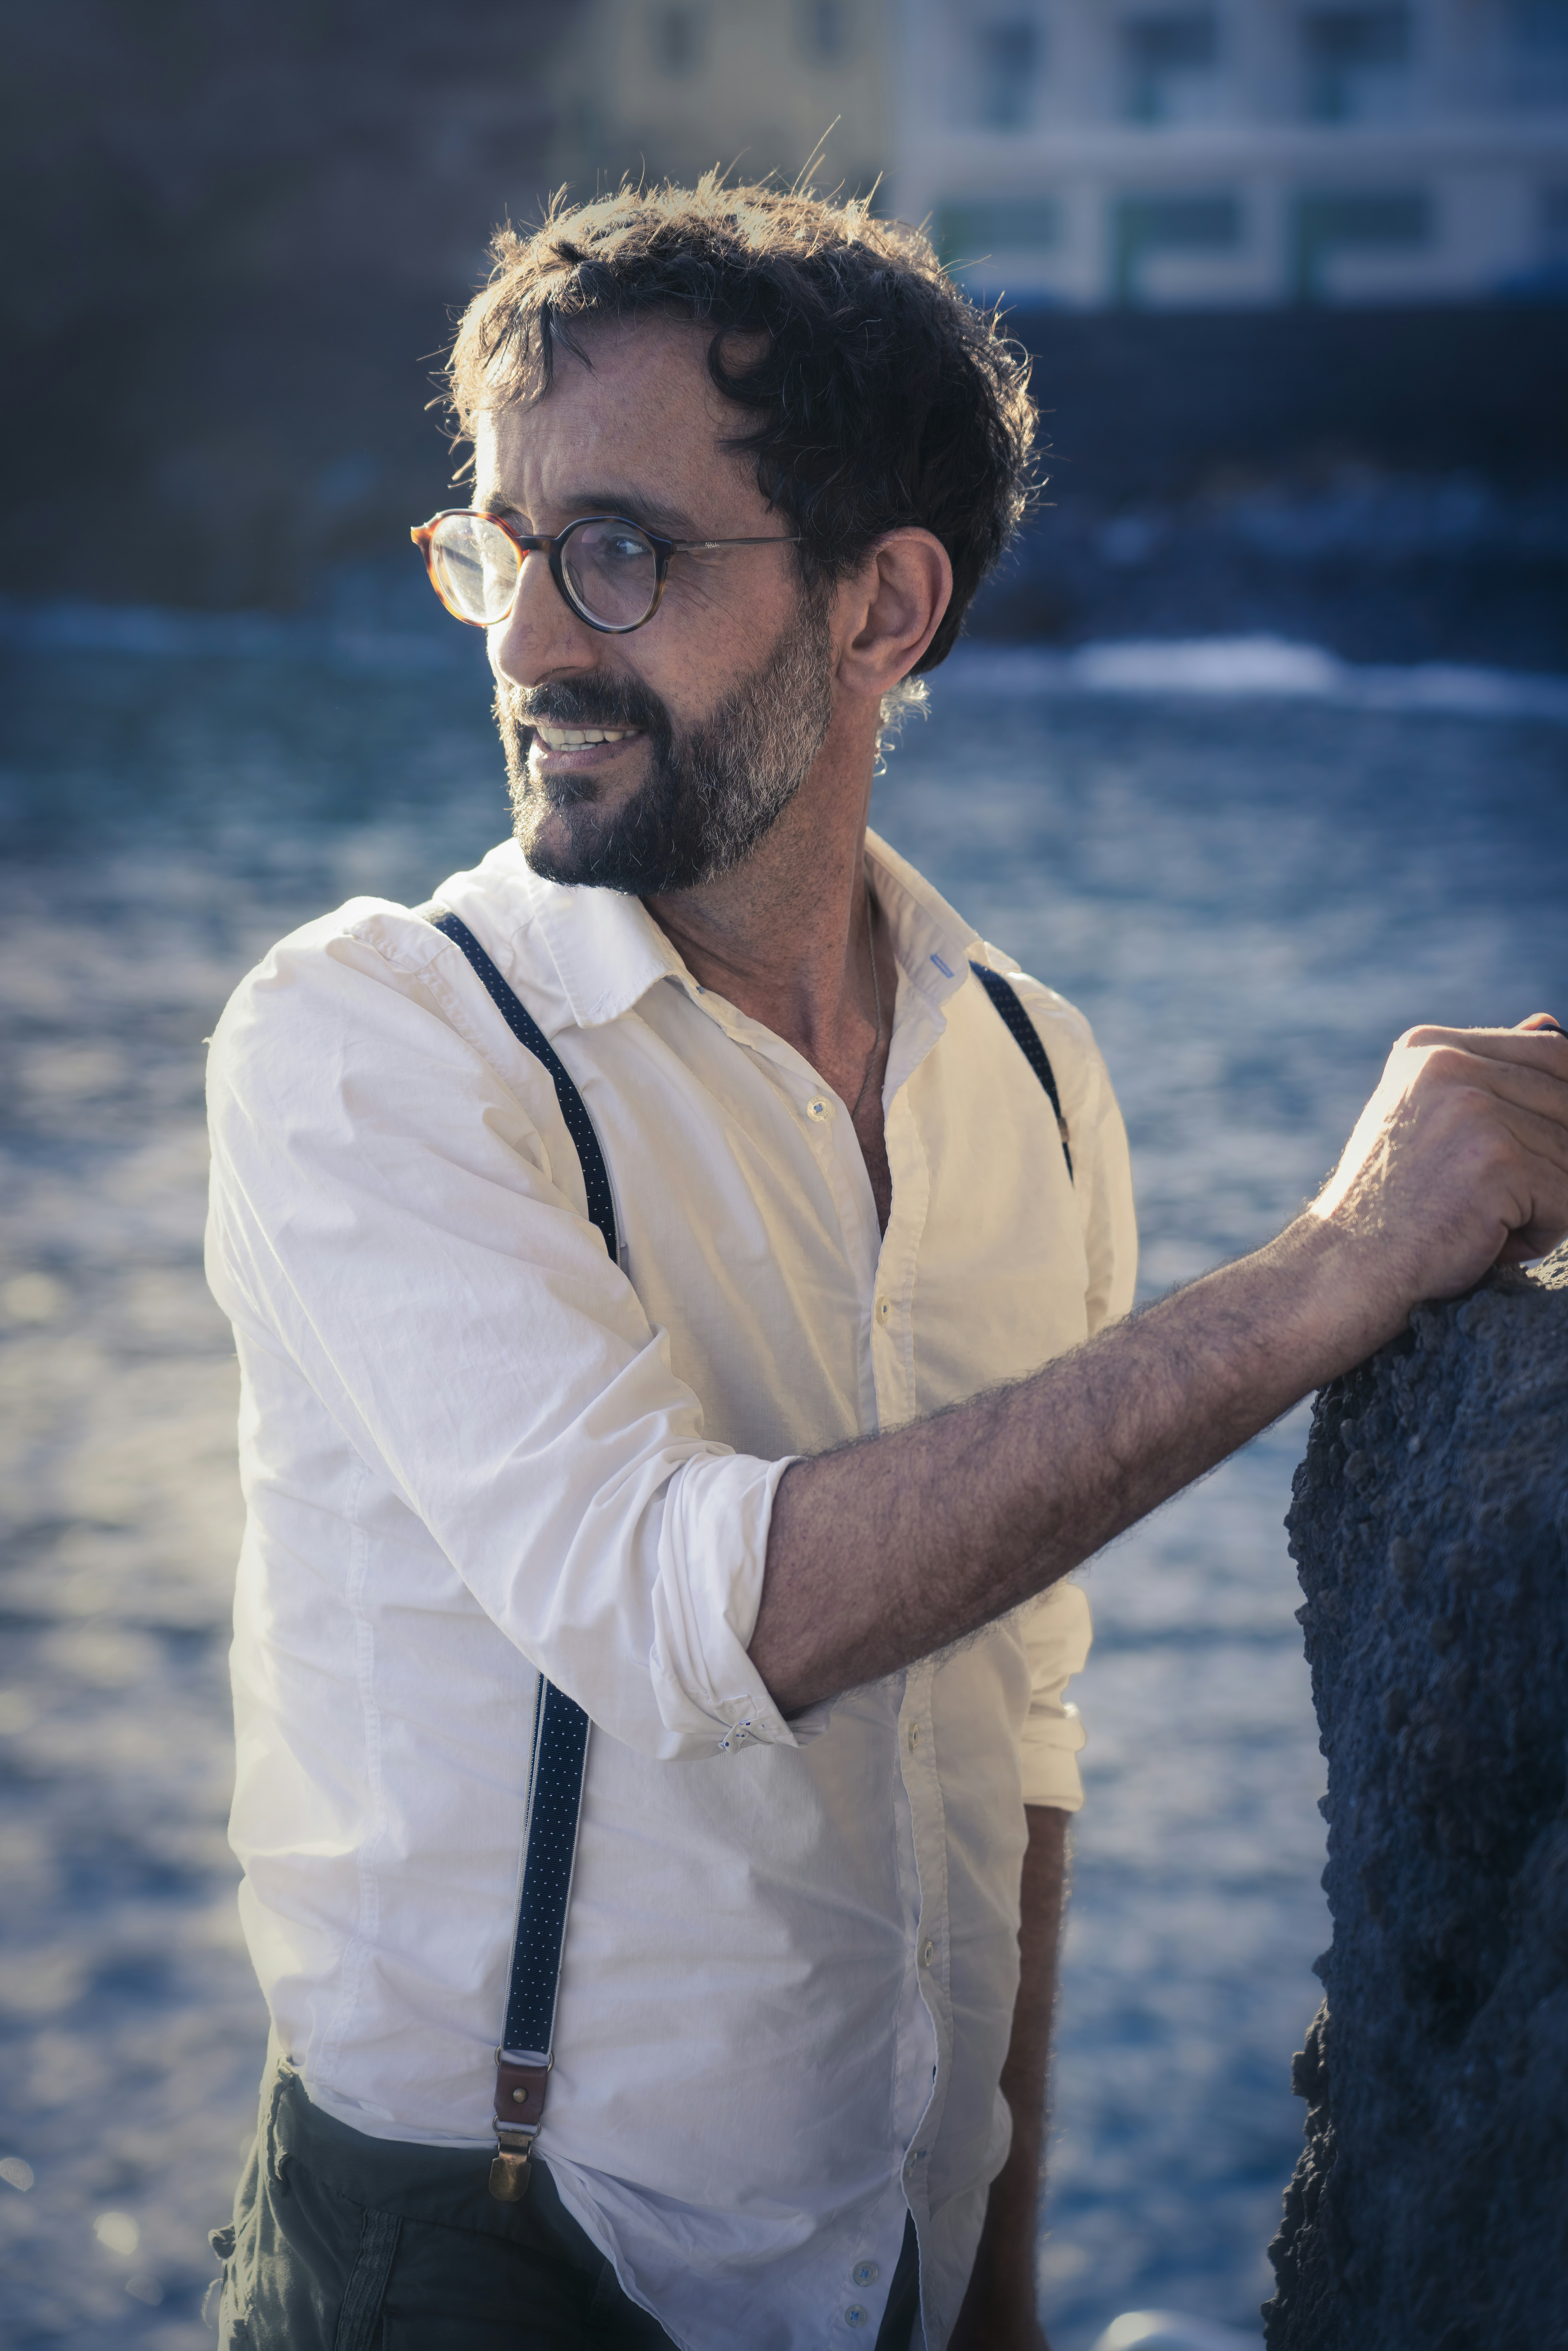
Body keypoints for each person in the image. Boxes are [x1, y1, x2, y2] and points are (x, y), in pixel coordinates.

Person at [203, 178, 1568, 2351]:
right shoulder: (368, 1039)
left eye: (619, 551)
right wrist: (1329, 1270)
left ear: (882, 607)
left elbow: (1008, 1722)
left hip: (891, 2284)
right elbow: (684, 1613)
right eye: (501, 546)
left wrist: (991, 2276)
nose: (531, 641)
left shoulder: (1027, 1066)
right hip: (483, 2263)